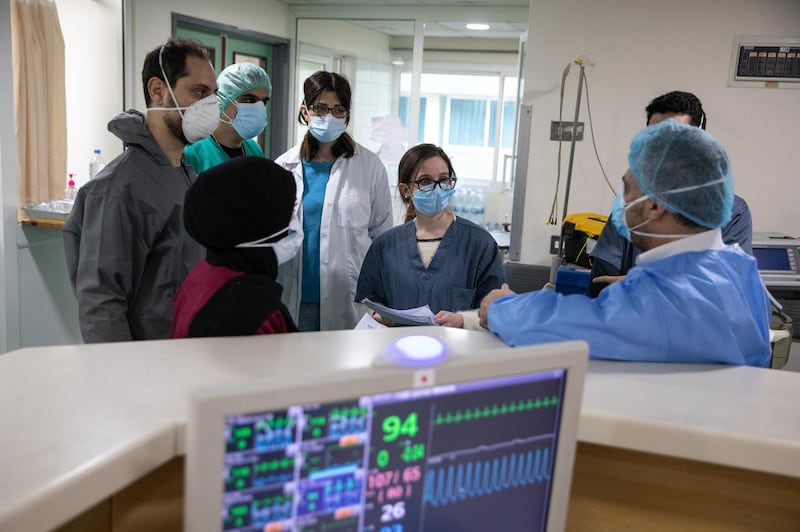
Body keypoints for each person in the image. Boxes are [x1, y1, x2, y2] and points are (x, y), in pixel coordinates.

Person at [479, 119, 771, 367]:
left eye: (627, 189)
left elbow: (573, 326)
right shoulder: (738, 270)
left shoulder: (665, 296)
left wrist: (502, 307)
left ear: (656, 206)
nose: (622, 201)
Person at [63, 38, 219, 342]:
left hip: (186, 355)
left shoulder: (183, 173)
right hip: (146, 368)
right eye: (199, 92)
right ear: (158, 90)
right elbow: (101, 304)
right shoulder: (118, 188)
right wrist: (124, 381)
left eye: (214, 95)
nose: (210, 105)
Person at [589, 91, 753, 297]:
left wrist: (643, 284)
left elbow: (730, 287)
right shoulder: (630, 206)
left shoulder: (732, 212)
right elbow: (602, 284)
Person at [274, 71, 393, 331]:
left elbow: (383, 241)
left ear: (348, 114)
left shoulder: (369, 167)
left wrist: (382, 304)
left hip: (350, 304)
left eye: (338, 110)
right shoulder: (282, 167)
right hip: (293, 300)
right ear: (305, 111)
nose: (329, 117)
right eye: (321, 108)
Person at [355, 144, 505, 328]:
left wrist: (463, 321)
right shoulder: (385, 246)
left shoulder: (479, 244)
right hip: (398, 350)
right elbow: (366, 306)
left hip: (460, 352)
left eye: (444, 180)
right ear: (405, 190)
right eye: (425, 181)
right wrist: (379, 316)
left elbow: (497, 311)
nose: (437, 189)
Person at [172, 156, 298, 337]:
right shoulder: (251, 311)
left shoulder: (204, 275)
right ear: (258, 221)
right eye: (289, 209)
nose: (294, 220)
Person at [184, 62, 271, 174]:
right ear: (222, 100)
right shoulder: (193, 152)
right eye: (249, 100)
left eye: (264, 102)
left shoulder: (254, 149)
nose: (259, 108)